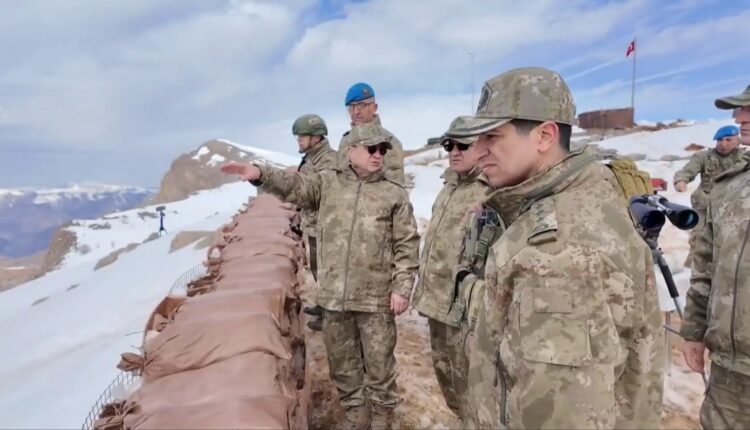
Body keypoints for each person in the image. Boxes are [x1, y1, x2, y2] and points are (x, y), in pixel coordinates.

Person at [451, 67, 664, 429]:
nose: (478, 150)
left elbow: (561, 412)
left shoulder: (558, 252)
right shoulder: (570, 203)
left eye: (492, 136)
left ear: (544, 136)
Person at [220, 123, 419, 430]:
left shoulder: (393, 194)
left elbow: (407, 244)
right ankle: (356, 415)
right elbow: (293, 185)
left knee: (380, 365)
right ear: (350, 151)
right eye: (371, 149)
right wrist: (260, 174)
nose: (378, 155)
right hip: (335, 297)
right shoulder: (327, 184)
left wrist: (402, 288)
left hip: (376, 299)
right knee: (342, 363)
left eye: (382, 150)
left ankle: (382, 418)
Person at [681, 84, 750, 429]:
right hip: (729, 371)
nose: (741, 118)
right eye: (741, 111)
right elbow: (706, 265)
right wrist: (694, 332)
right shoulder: (729, 186)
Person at [411, 116, 489, 419]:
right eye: (449, 145)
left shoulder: (491, 191)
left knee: (473, 391)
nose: (454, 152)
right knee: (449, 387)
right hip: (437, 305)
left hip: (465, 313)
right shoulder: (448, 188)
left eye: (463, 145)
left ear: (481, 146)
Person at [288, 114, 338, 331]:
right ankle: (324, 306)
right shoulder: (311, 159)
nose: (299, 139)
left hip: (325, 228)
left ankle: (332, 317)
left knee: (328, 273)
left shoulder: (327, 160)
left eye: (303, 135)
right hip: (314, 225)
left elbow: (323, 194)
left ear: (316, 137)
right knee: (319, 271)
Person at [674, 124, 745, 267]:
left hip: (733, 205)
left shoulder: (744, 158)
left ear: (738, 140)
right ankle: (694, 268)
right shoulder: (704, 156)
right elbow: (687, 171)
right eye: (719, 140)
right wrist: (681, 181)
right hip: (705, 204)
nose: (723, 144)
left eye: (728, 140)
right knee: (699, 237)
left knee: (733, 240)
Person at [337, 82, 405, 184]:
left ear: (374, 107)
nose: (355, 112)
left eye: (361, 105)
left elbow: (395, 184)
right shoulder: (345, 141)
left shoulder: (390, 141)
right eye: (351, 107)